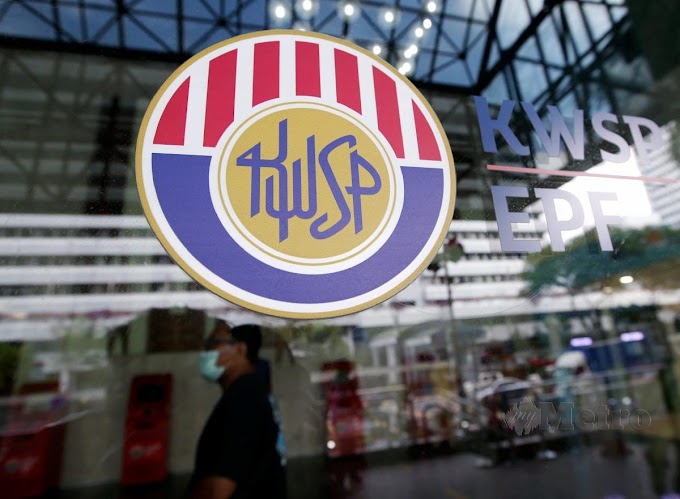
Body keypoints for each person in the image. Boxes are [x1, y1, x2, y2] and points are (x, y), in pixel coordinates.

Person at [190, 323, 286, 499]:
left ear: (241, 349)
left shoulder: (244, 401)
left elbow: (217, 491)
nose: (206, 351)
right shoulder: (245, 393)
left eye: (214, 342)